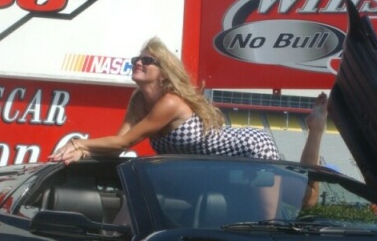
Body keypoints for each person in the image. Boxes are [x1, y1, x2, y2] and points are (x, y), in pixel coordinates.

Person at [49, 36, 328, 215]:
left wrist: (79, 142)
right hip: (213, 169)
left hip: (250, 148)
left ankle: (315, 128)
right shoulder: (138, 102)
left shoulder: (170, 102)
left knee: (301, 203)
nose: (138, 63)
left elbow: (126, 142)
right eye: (137, 59)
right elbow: (116, 146)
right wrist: (84, 151)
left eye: (147, 60)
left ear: (163, 72)